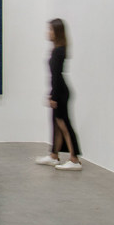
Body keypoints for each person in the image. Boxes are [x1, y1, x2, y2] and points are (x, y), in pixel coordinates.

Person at [37, 18, 82, 170]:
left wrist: (54, 96)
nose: (48, 32)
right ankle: (54, 155)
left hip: (61, 91)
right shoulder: (57, 49)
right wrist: (51, 94)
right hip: (58, 89)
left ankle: (74, 159)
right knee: (56, 124)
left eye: (50, 30)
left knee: (64, 124)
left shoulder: (58, 51)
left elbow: (56, 75)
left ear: (57, 32)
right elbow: (55, 76)